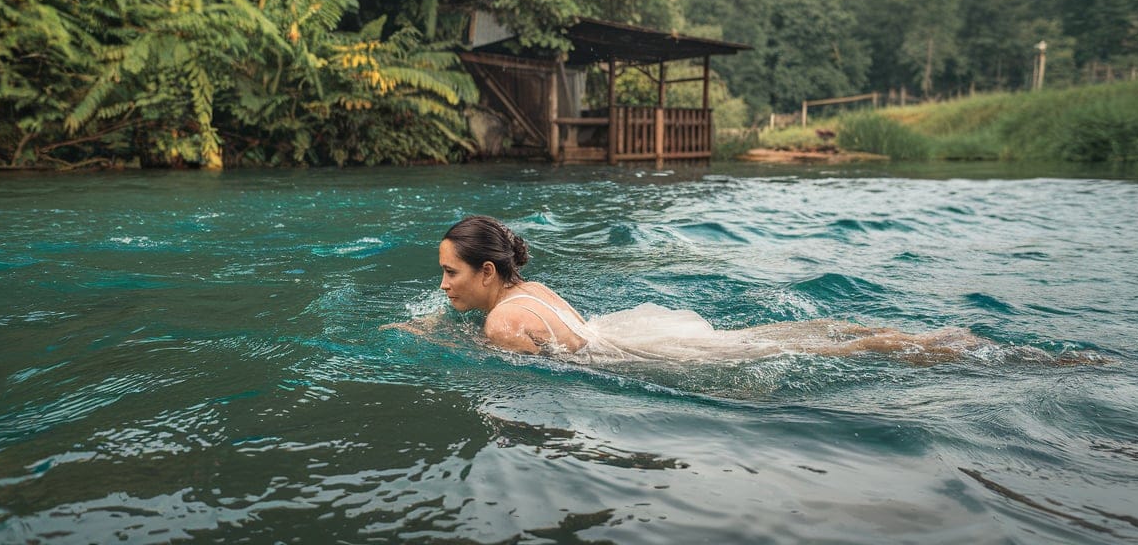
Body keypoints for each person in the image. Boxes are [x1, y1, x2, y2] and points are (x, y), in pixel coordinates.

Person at [412, 215, 1001, 365]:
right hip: (622, 328)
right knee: (777, 335)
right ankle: (895, 334)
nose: (442, 285)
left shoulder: (502, 324)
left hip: (631, 352)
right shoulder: (527, 287)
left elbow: (548, 376)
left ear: (486, 272)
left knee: (796, 351)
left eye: (451, 273)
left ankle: (927, 346)